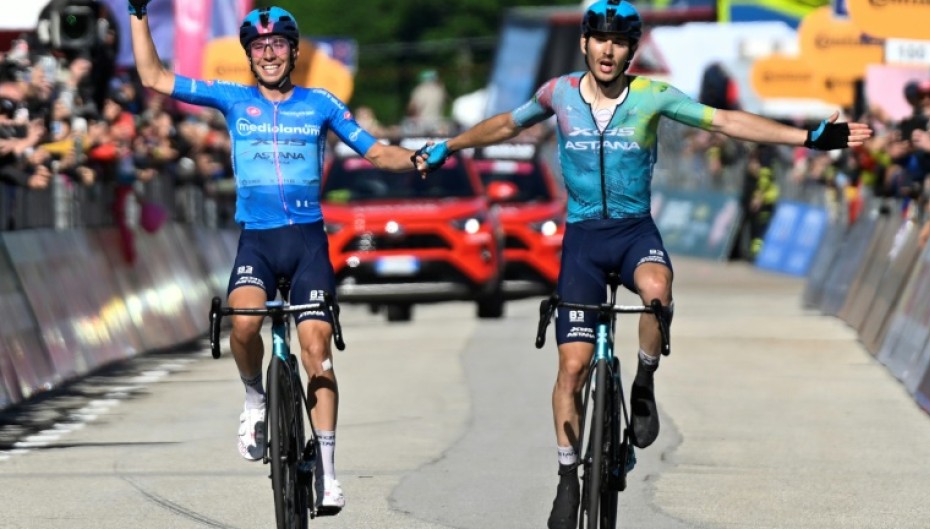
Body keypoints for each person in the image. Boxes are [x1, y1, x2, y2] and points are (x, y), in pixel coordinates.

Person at [415, 2, 872, 528]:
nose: (608, 50)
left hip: (634, 232)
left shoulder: (653, 96)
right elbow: (503, 125)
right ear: (585, 43)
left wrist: (808, 137)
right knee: (571, 368)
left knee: (657, 290)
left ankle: (644, 384)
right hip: (584, 239)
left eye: (620, 42)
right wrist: (447, 146)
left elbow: (724, 120)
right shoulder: (557, 94)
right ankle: (567, 478)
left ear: (632, 50)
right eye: (599, 40)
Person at [128, 1, 420, 513]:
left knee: (316, 353)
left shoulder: (321, 103)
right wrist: (137, 14)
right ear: (248, 54)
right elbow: (154, 76)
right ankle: (254, 398)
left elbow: (376, 152)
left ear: (293, 51)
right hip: (258, 242)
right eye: (259, 46)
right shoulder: (233, 99)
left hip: (307, 243)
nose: (269, 54)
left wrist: (420, 158)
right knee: (242, 323)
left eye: (278, 45)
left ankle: (329, 473)